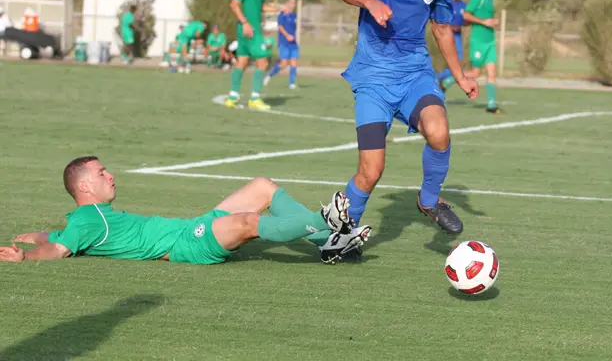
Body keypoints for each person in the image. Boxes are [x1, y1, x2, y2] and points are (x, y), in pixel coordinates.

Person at [329, 0, 479, 258]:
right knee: (371, 169)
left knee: (439, 131)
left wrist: (459, 76)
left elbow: (442, 28)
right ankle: (344, 232)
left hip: (415, 73)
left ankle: (429, 201)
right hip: (373, 78)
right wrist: (369, 1)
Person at [0, 156, 354, 265]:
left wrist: (35, 236)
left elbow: (60, 239)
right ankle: (321, 221)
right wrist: (28, 258)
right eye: (102, 173)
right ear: (85, 188)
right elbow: (60, 250)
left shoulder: (85, 221)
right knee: (249, 222)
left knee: (262, 186)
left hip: (193, 226)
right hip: (187, 245)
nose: (111, 175)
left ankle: (326, 242)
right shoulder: (90, 219)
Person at [441, 0, 502, 113]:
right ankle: (448, 81)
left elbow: (487, 17)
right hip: (478, 41)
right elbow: (467, 14)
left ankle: (491, 105)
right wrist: (483, 22)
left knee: (492, 73)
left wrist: (493, 21)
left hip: (490, 41)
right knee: (476, 72)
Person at [225, 0, 279, 111]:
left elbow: (262, 6)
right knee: (263, 62)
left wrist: (280, 8)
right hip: (250, 30)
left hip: (246, 30)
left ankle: (232, 97)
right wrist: (245, 23)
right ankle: (255, 98)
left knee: (242, 62)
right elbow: (234, 4)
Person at [435, 0, 467, 89]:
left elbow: (467, 19)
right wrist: (452, 27)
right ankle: (438, 78)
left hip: (458, 37)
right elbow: (440, 20)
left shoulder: (463, 5)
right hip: (447, 35)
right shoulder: (447, 4)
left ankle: (439, 79)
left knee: (458, 63)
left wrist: (465, 23)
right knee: (453, 63)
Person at [264, 0, 300, 89]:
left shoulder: (294, 15)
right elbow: (280, 27)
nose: (293, 5)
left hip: (293, 43)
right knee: (284, 64)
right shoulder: (282, 15)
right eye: (291, 3)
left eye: (294, 3)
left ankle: (292, 83)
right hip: (284, 42)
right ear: (287, 4)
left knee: (294, 62)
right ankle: (269, 75)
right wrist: (287, 36)